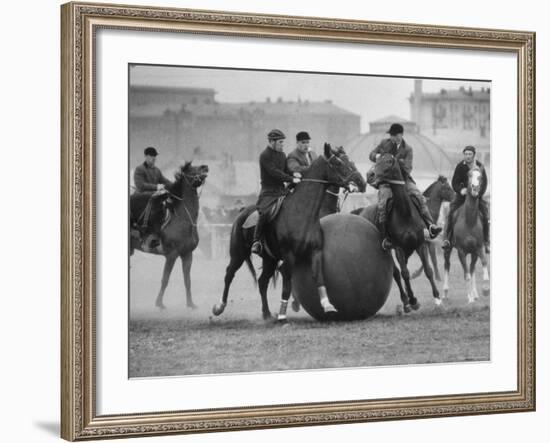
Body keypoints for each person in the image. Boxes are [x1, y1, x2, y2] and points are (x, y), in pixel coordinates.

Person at [369, 123, 442, 250]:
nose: (391, 138)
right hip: (385, 181)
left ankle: (431, 226)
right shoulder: (383, 143)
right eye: (391, 135)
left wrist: (394, 162)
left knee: (419, 196)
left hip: (403, 180)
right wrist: (378, 156)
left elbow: (407, 169)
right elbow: (371, 155)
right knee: (383, 204)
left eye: (393, 135)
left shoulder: (408, 149)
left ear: (400, 136)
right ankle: (385, 236)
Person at [251, 129, 301, 255]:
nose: (282, 145)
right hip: (268, 192)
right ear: (272, 142)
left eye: (283, 142)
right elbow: (274, 172)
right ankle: (256, 241)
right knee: (265, 213)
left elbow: (285, 170)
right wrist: (291, 179)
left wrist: (295, 174)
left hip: (281, 191)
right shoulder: (264, 156)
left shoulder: (282, 155)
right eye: (280, 142)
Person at [442, 145, 490, 253]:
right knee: (450, 213)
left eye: (470, 154)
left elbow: (485, 183)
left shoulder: (480, 166)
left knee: (485, 215)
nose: (467, 156)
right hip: (461, 196)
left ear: (474, 155)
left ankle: (486, 241)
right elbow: (454, 182)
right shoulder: (460, 166)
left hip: (476, 196)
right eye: (466, 154)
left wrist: (478, 194)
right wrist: (460, 190)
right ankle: (447, 239)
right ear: (464, 154)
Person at [133, 146, 172, 249]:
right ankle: (151, 236)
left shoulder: (157, 170)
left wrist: (175, 186)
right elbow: (140, 185)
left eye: (155, 156)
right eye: (151, 156)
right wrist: (156, 187)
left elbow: (165, 181)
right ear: (146, 156)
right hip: (141, 197)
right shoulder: (139, 169)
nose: (154, 158)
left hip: (154, 196)